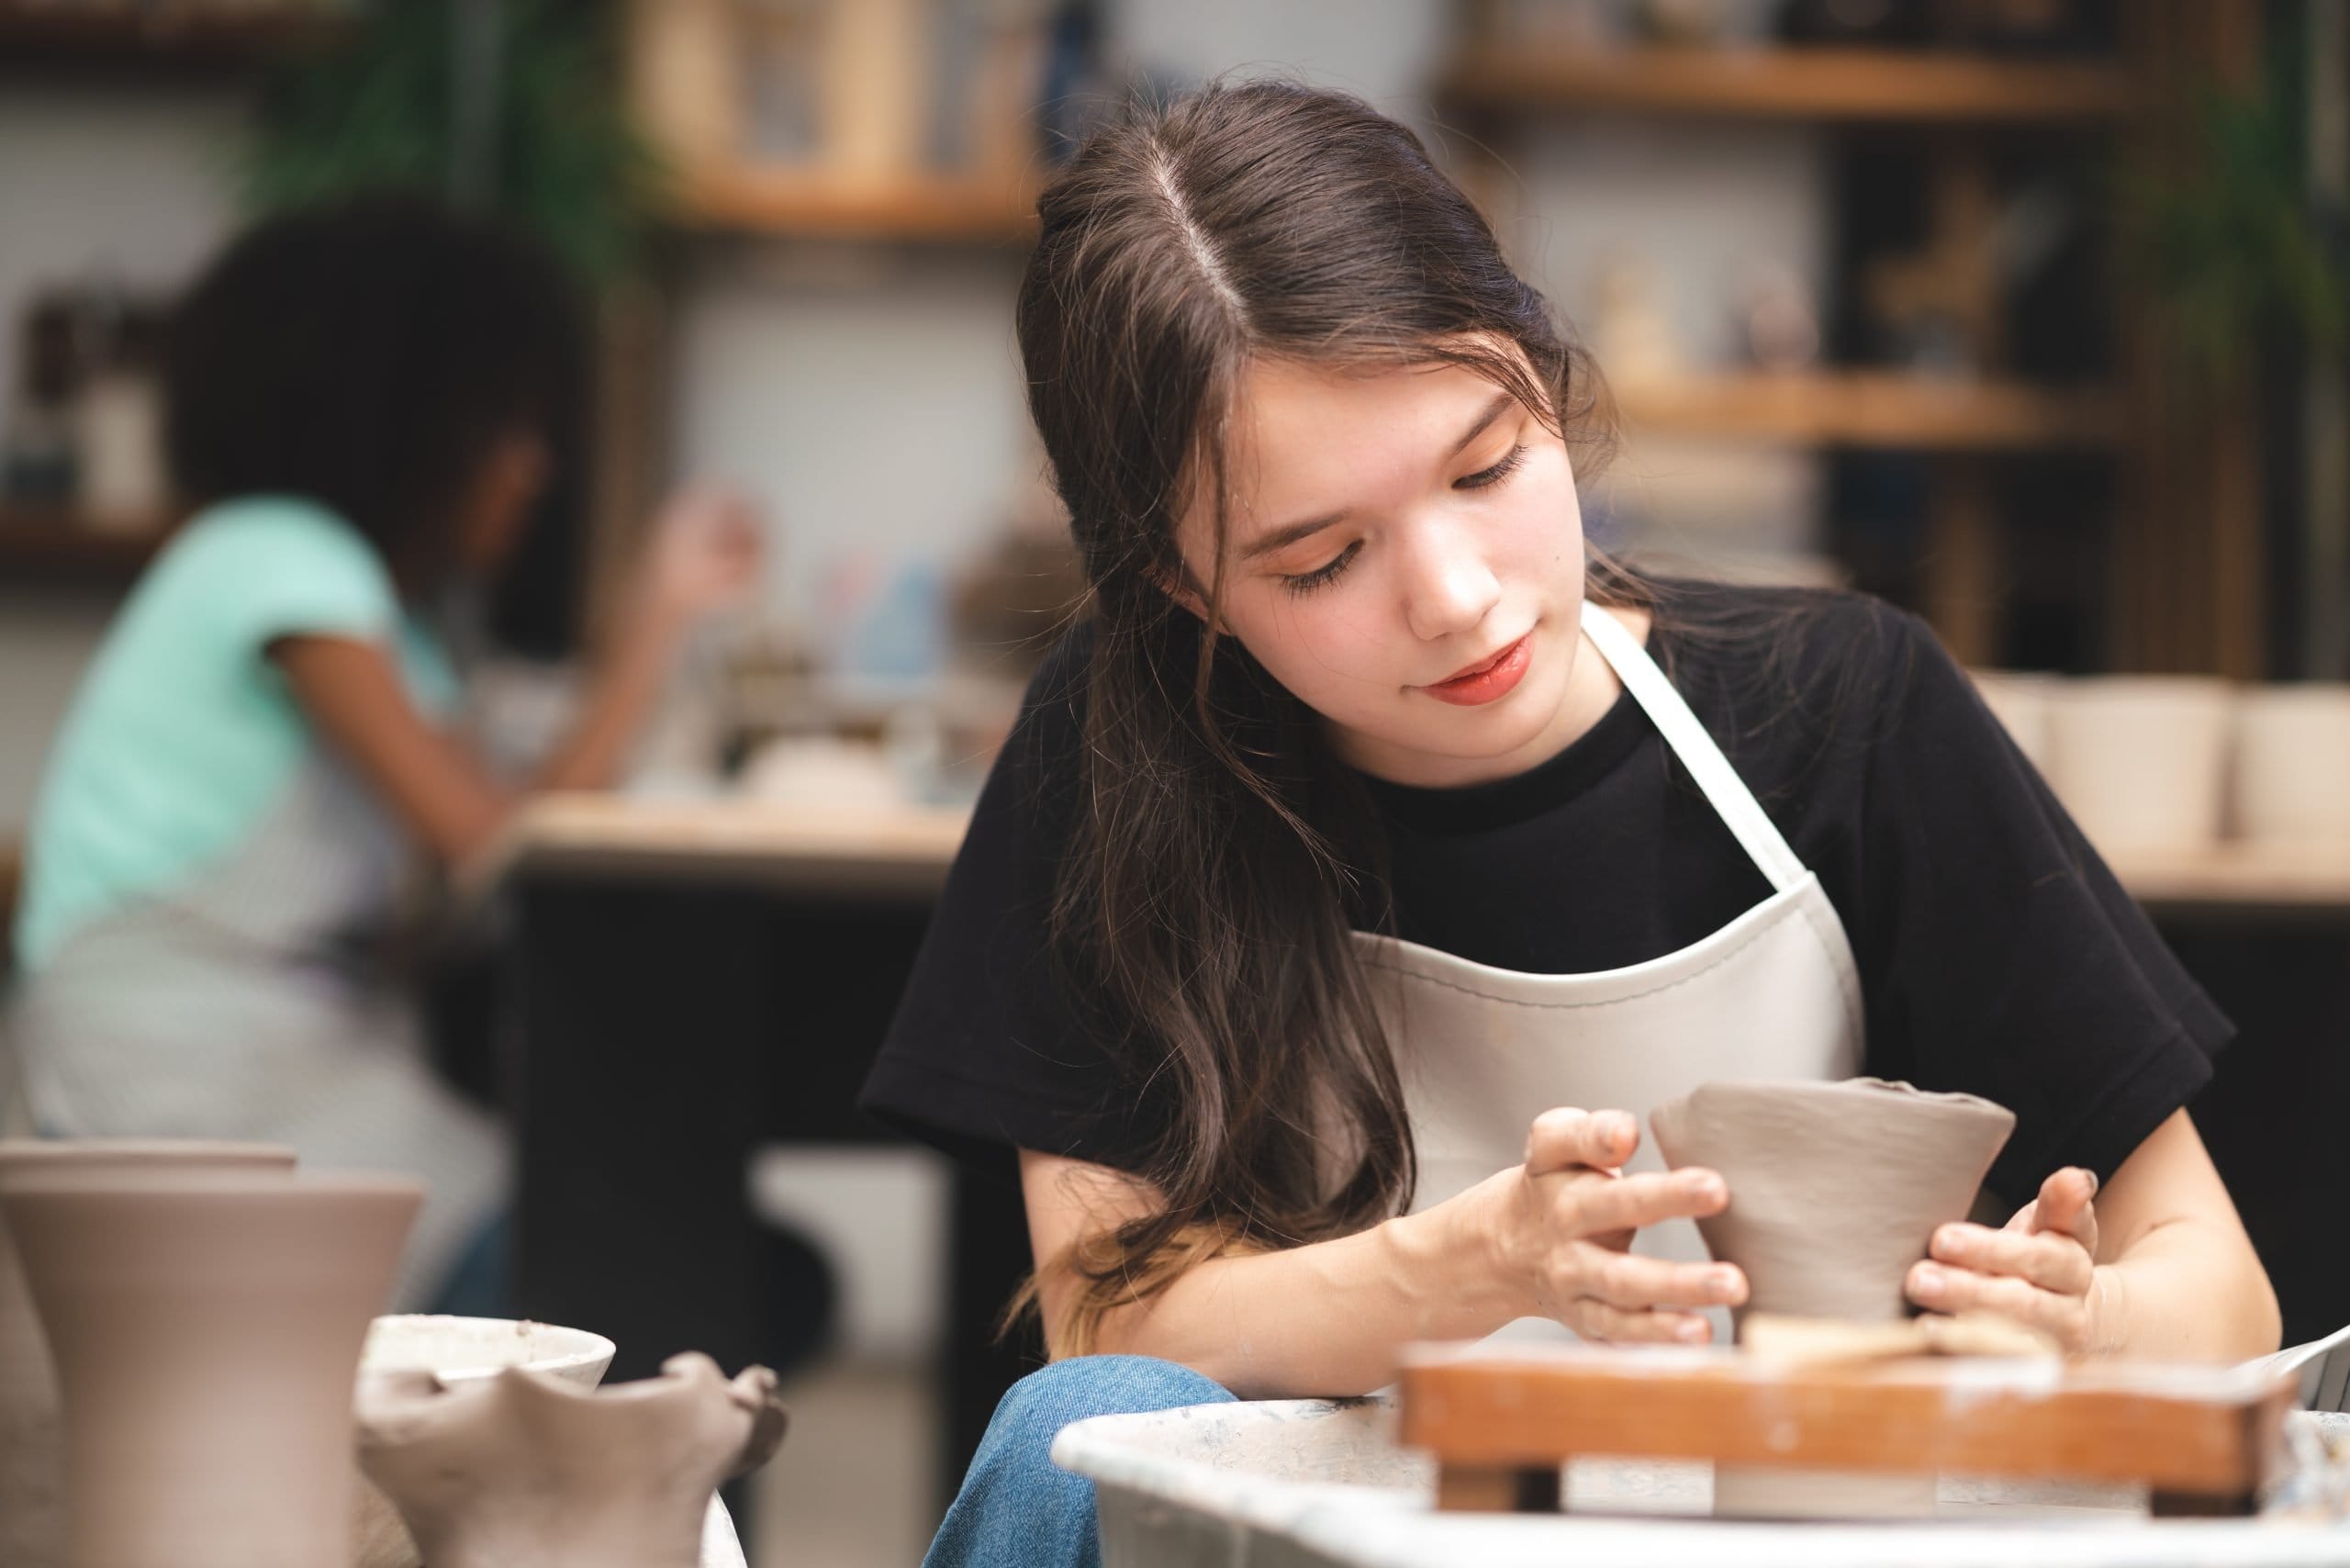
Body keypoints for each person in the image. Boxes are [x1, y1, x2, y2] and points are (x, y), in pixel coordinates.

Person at [857, 81, 2284, 1566]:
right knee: (1061, 1435)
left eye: (1487, 467)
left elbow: (2222, 1288)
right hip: (1356, 1526)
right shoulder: (1117, 749)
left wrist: (2086, 1313)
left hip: (1764, 1530)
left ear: (1547, 381)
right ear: (1183, 588)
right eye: (1324, 559)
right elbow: (1106, 1313)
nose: (1458, 594)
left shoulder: (1844, 717)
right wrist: (1469, 1267)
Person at [7, 195, 760, 1311]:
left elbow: (496, 823)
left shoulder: (353, 604)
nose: (534, 468)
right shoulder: (284, 559)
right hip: (193, 1073)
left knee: (669, 1253)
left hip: (269, 1053)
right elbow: (496, 840)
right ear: (412, 420)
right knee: (631, 1261)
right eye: (510, 426)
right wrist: (653, 625)